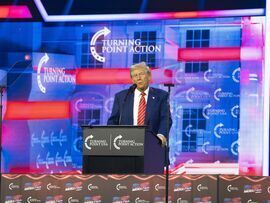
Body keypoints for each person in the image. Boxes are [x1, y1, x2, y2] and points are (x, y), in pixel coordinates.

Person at [107, 62, 172, 174]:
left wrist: (161, 136)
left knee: (152, 186)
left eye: (141, 74)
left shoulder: (161, 96)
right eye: (135, 75)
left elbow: (165, 119)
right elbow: (113, 120)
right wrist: (113, 140)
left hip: (153, 149)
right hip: (126, 149)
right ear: (132, 80)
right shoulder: (122, 97)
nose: (138, 78)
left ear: (149, 76)